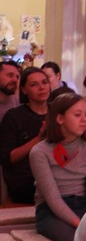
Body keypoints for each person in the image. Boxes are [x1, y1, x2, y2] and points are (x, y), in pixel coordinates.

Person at [29, 93, 86, 241]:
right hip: (50, 211)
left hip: (83, 205)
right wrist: (80, 224)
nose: (84, 120)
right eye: (77, 115)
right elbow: (53, 199)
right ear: (60, 118)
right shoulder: (39, 152)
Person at [0, 66, 50, 204]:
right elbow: (8, 158)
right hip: (26, 180)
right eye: (34, 84)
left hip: (58, 174)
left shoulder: (58, 112)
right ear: (24, 90)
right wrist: (39, 139)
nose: (41, 88)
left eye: (44, 82)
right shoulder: (14, 117)